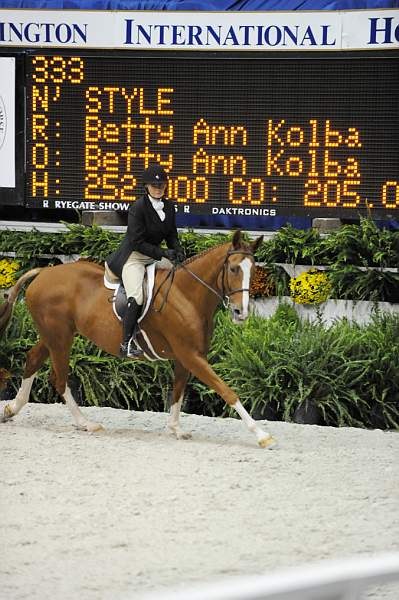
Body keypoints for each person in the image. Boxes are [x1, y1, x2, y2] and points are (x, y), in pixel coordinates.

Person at [105, 163, 185, 358]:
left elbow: (171, 235)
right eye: (154, 186)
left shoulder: (169, 206)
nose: (158, 189)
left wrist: (177, 250)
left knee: (178, 280)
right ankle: (126, 343)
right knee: (137, 296)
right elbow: (137, 241)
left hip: (154, 257)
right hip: (134, 257)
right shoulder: (138, 208)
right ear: (147, 187)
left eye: (161, 186)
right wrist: (163, 253)